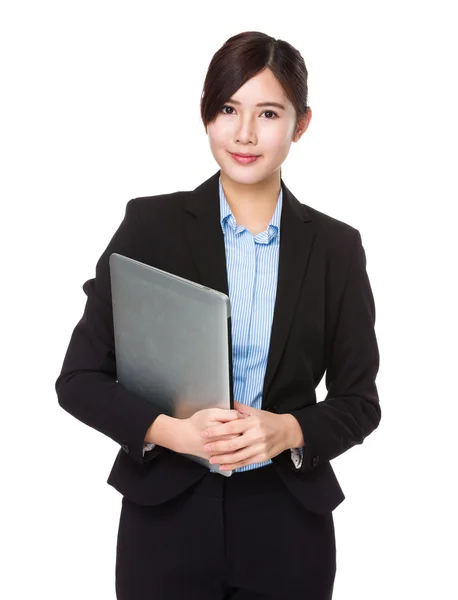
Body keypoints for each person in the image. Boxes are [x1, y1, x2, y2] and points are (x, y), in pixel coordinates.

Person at [56, 30, 381, 600]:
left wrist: (288, 430)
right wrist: (175, 434)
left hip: (289, 521)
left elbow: (360, 402)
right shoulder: (149, 227)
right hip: (165, 519)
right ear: (206, 113)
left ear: (301, 124)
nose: (245, 133)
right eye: (229, 109)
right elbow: (79, 380)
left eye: (269, 112)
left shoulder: (336, 248)